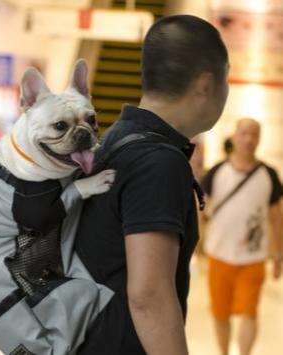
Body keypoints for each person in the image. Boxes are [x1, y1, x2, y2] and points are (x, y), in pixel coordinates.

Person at [75, 15, 229, 355]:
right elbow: (149, 296)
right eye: (226, 78)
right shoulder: (158, 162)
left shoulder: (116, 138)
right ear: (205, 84)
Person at [201, 118, 283, 355]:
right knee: (220, 312)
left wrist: (278, 254)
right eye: (244, 133)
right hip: (219, 254)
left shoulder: (269, 174)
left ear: (259, 139)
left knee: (249, 311)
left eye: (254, 134)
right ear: (235, 137)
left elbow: (276, 217)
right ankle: (224, 352)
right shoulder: (217, 171)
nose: (249, 139)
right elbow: (200, 211)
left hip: (253, 257)